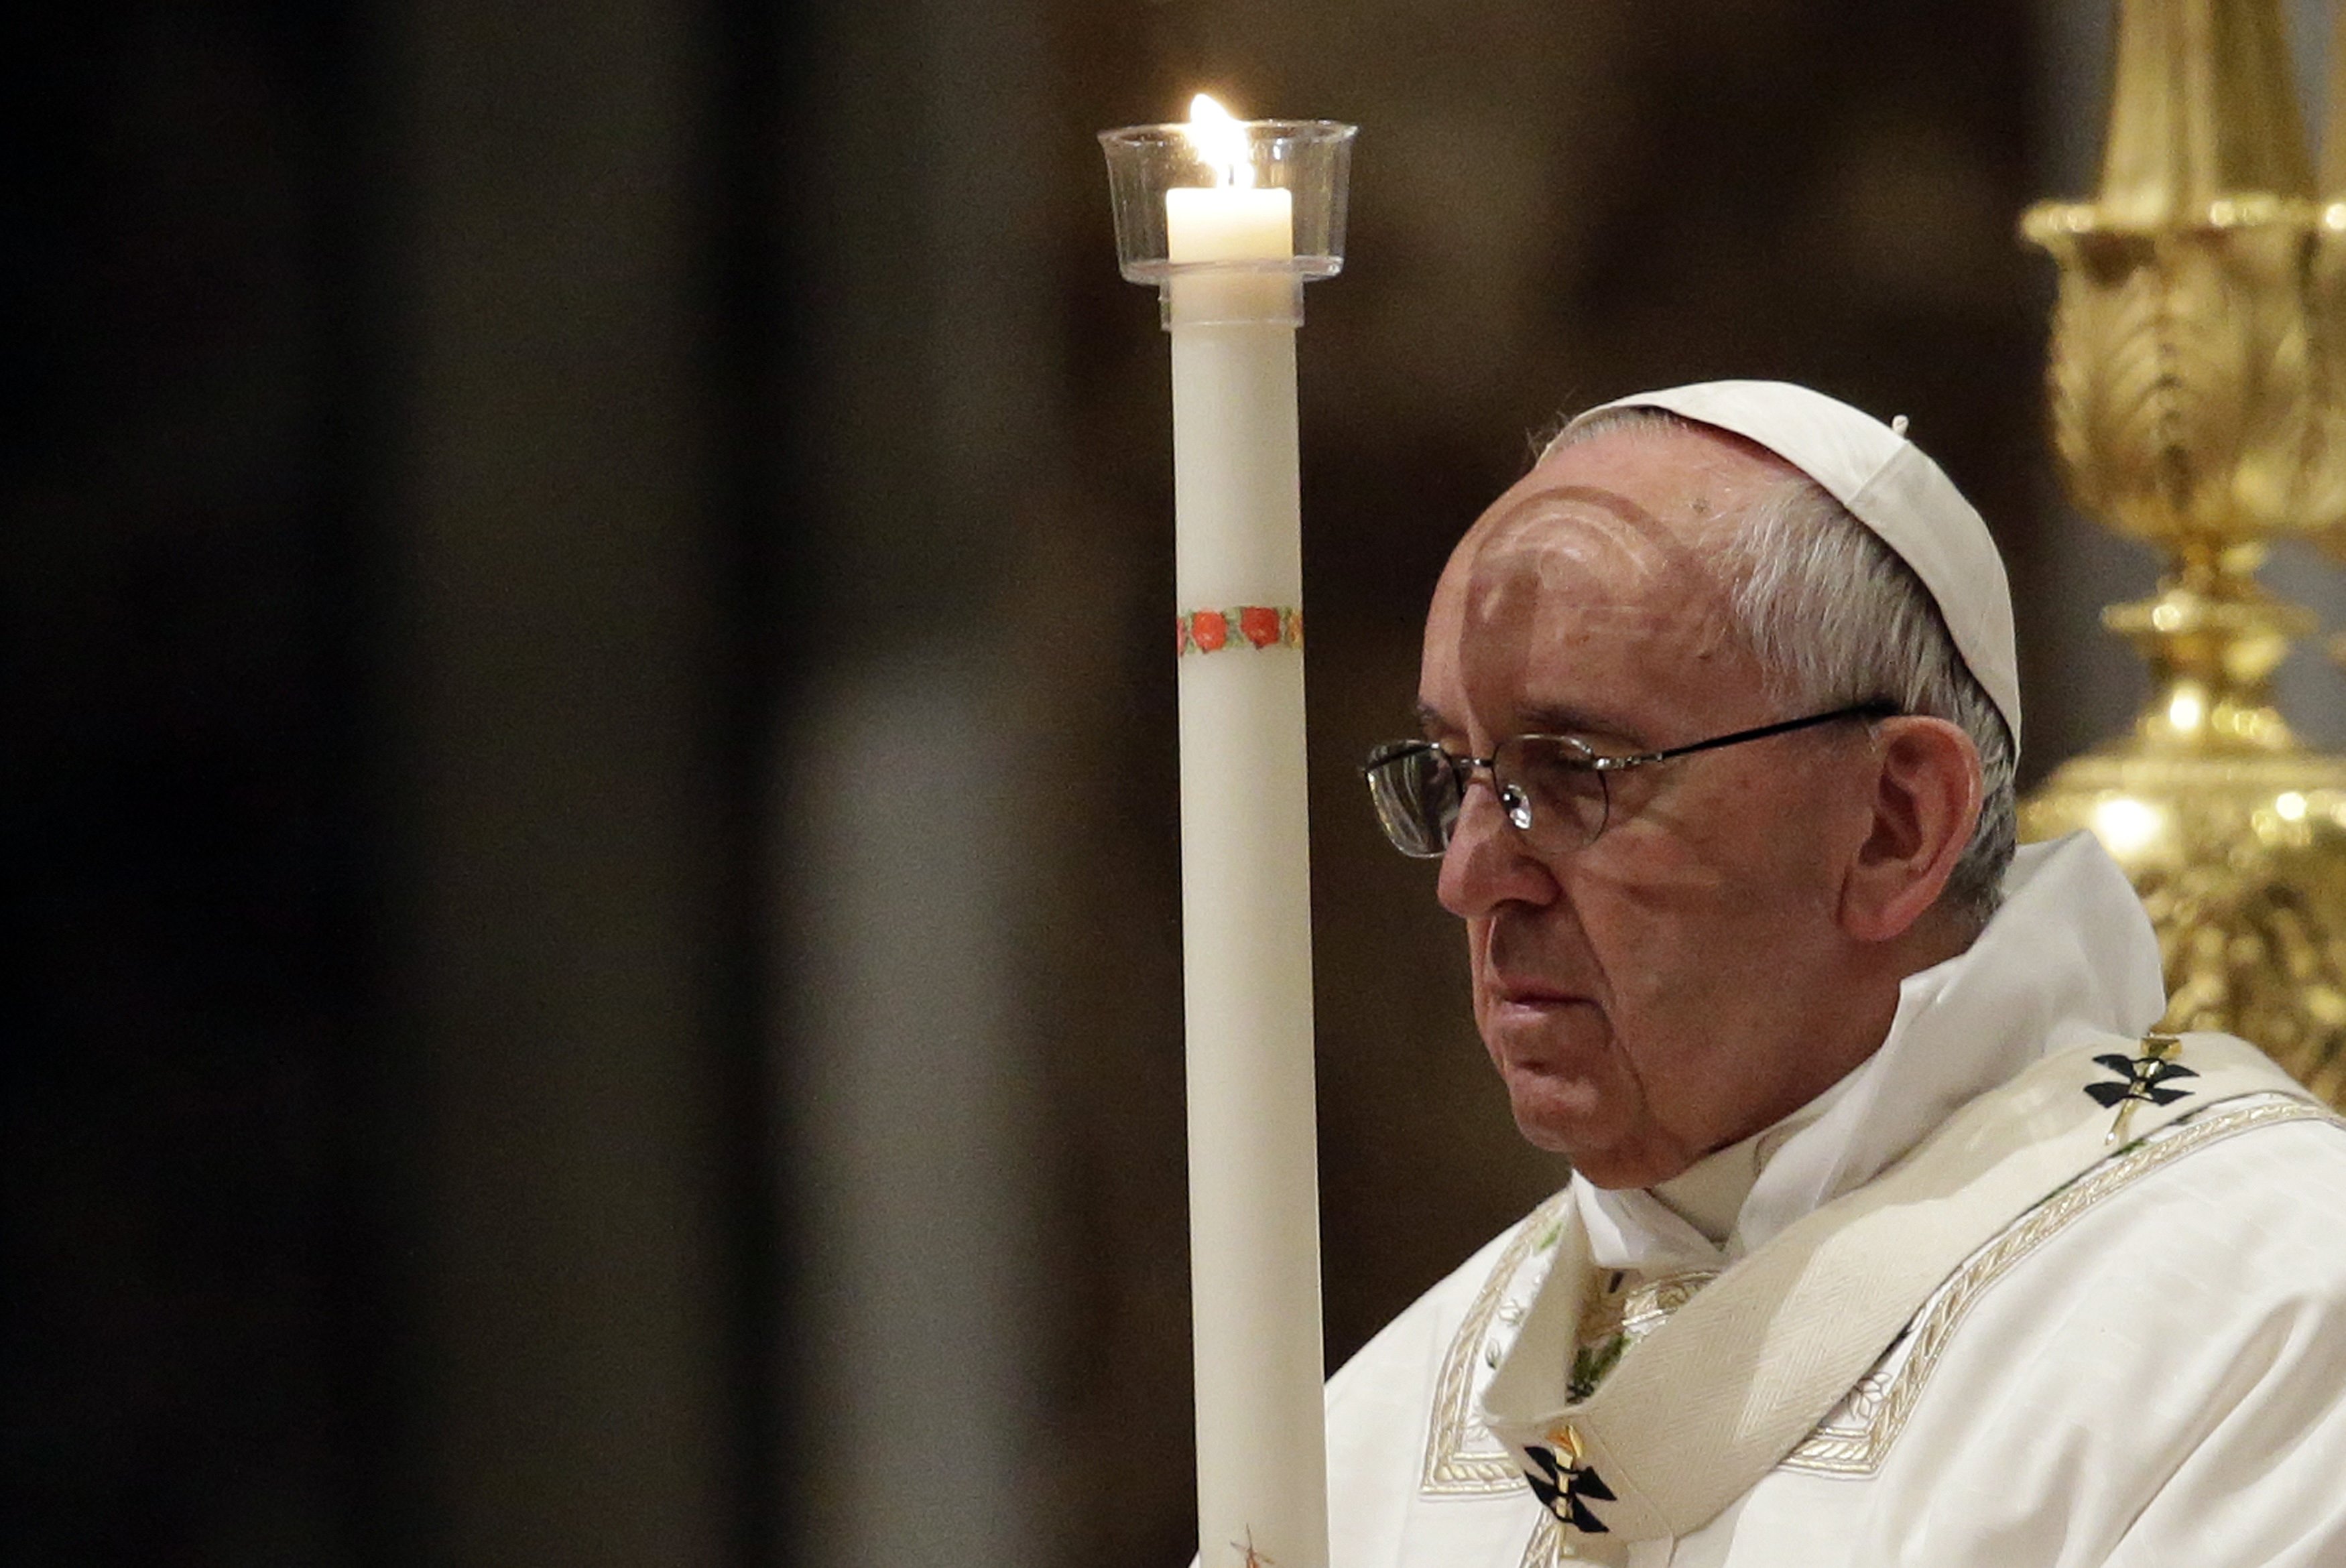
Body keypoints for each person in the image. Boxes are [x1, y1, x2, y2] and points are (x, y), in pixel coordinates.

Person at [1329, 381, 2346, 1567]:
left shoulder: (2262, 1318)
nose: (1471, 876)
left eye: (1574, 770)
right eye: (1456, 773)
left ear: (1896, 825)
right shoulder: (1388, 1420)